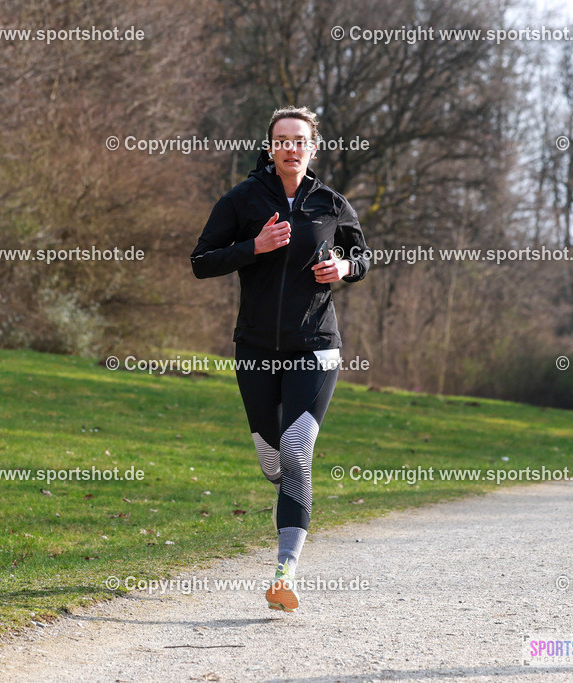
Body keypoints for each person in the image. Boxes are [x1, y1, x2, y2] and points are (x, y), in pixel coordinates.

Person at [190, 106, 370, 612]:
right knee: (274, 459)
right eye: (282, 140)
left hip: (315, 344)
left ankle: (285, 570)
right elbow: (201, 262)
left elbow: (364, 257)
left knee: (297, 451)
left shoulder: (332, 205)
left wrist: (344, 266)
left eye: (300, 140)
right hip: (255, 350)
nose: (291, 147)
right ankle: (279, 480)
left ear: (313, 148)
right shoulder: (243, 200)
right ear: (270, 147)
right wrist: (254, 245)